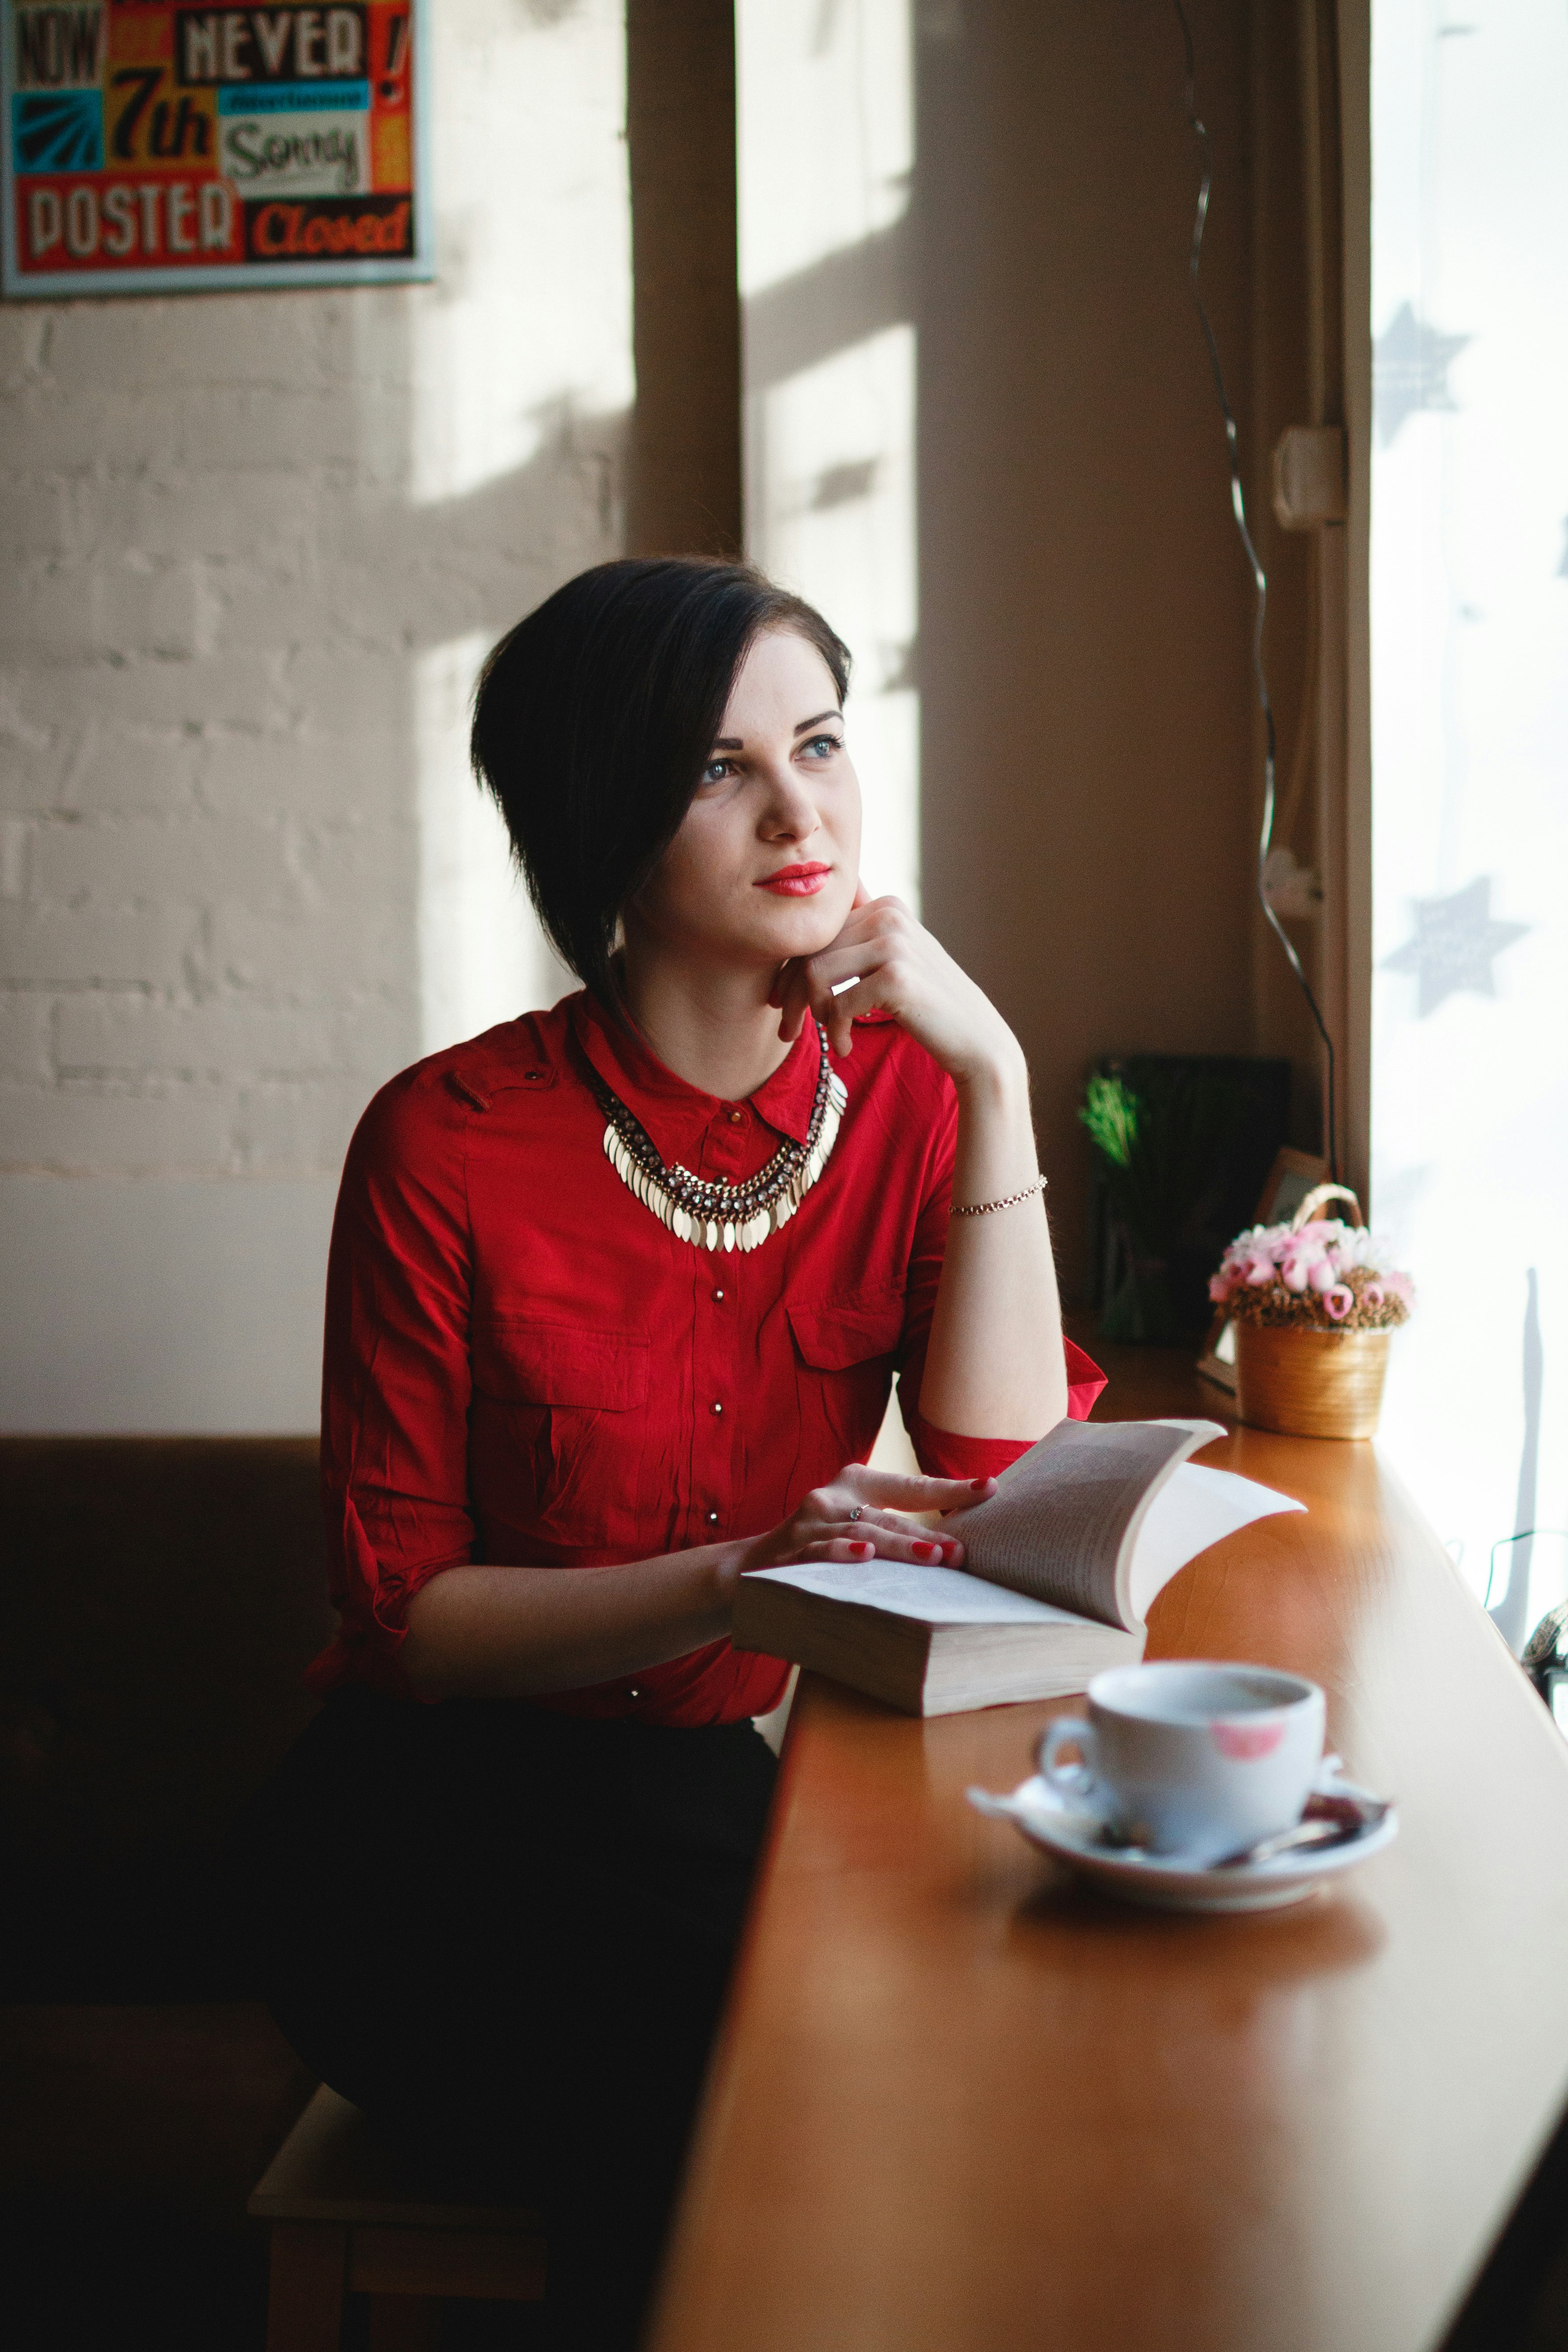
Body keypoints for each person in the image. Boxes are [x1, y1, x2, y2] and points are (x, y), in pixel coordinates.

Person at [248, 558, 1104, 2349]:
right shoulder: (444, 1143)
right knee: (723, 2077)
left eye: (819, 743)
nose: (803, 810)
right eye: (720, 769)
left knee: (966, 2032)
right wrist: (735, 1579)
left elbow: (1002, 1457)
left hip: (705, 1805)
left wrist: (1002, 1078)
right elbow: (406, 1615)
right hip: (426, 1826)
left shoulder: (916, 1105)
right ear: (600, 819)